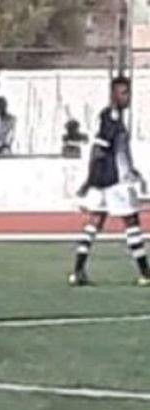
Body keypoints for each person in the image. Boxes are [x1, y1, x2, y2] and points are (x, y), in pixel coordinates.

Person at [68, 76, 150, 287]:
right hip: (115, 180)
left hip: (104, 179)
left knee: (94, 222)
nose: (128, 97)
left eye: (128, 93)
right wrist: (89, 179)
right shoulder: (112, 119)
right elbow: (99, 150)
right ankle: (144, 273)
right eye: (124, 93)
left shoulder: (111, 117)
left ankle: (77, 271)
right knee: (131, 223)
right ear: (114, 94)